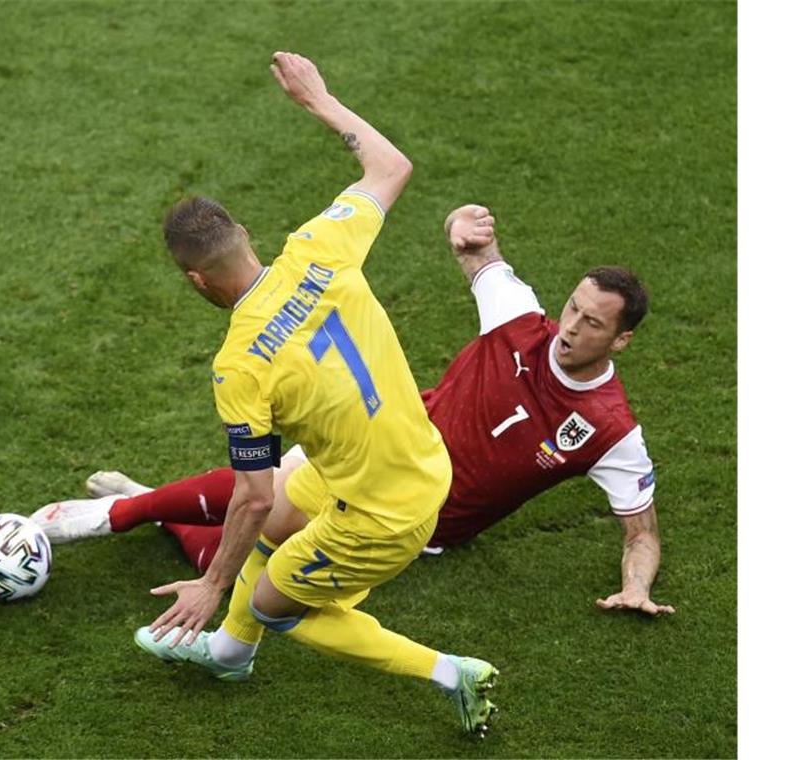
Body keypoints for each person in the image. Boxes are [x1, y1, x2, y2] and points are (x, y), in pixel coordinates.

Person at [79, 51, 498, 737]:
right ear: (243, 233)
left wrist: (212, 586)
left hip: (385, 517)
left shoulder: (241, 364)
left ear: (196, 282)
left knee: (280, 603)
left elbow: (249, 491)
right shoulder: (318, 246)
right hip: (419, 462)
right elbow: (391, 167)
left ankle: (452, 672)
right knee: (274, 530)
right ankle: (232, 654)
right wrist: (318, 99)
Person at [34, 205, 674, 618]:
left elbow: (640, 533)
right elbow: (478, 254)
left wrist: (637, 586)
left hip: (412, 516)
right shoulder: (519, 320)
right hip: (373, 443)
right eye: (572, 309)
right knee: (262, 505)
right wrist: (465, 231)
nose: (570, 328)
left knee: (258, 571)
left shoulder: (613, 431)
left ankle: (158, 520)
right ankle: (117, 514)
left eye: (592, 324)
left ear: (621, 340)